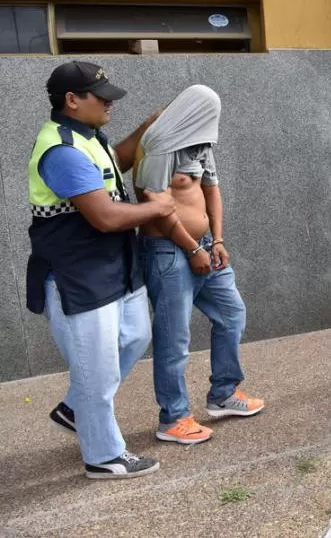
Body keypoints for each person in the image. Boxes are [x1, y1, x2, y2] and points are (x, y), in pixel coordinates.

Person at [27, 60, 176, 480]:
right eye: (102, 96)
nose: (110, 103)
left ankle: (76, 408)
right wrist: (158, 207)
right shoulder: (61, 150)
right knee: (97, 370)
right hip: (79, 275)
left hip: (112, 268)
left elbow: (118, 161)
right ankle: (104, 456)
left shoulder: (89, 136)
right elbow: (106, 217)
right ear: (72, 100)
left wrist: (150, 126)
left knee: (135, 336)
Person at [134, 85, 263, 446]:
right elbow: (155, 202)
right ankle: (173, 418)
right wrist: (192, 249)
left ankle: (224, 393)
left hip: (206, 247)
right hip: (168, 252)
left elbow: (212, 191)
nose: (213, 122)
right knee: (174, 338)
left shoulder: (201, 144)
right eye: (208, 114)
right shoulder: (158, 143)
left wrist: (217, 240)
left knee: (231, 314)